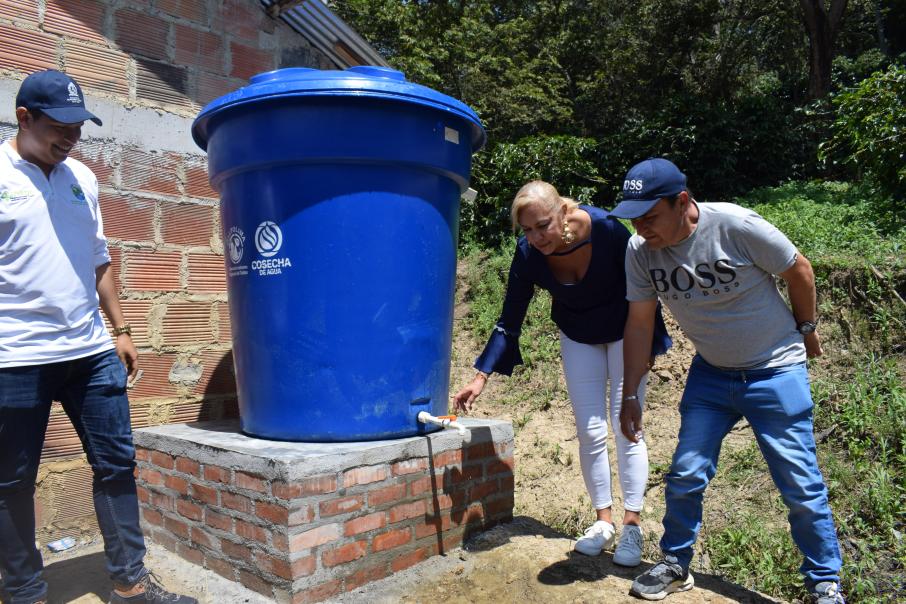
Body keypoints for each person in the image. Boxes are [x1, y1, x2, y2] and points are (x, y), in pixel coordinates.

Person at [0, 70, 196, 604]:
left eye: (79, 127)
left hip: (90, 353)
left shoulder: (81, 178)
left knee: (117, 465)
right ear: (25, 117)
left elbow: (99, 259)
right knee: (11, 483)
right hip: (15, 358)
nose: (71, 138)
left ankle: (131, 583)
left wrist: (122, 329)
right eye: (60, 127)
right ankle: (24, 592)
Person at [613, 158, 844, 603]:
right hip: (712, 375)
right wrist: (629, 393)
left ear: (682, 201)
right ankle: (675, 563)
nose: (641, 228)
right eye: (634, 218)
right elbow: (639, 324)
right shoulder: (640, 251)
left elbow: (800, 270)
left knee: (799, 485)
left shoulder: (735, 225)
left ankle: (824, 583)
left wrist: (807, 329)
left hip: (775, 369)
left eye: (649, 216)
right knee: (685, 473)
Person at [452, 180, 671, 567]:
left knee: (628, 427)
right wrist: (481, 376)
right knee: (589, 430)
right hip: (579, 335)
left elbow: (646, 288)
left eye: (543, 225)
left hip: (627, 332)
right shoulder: (529, 254)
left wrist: (650, 345)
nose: (536, 237)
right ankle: (603, 523)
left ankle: (632, 526)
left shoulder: (605, 230)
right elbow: (510, 318)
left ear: (564, 213)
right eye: (527, 230)